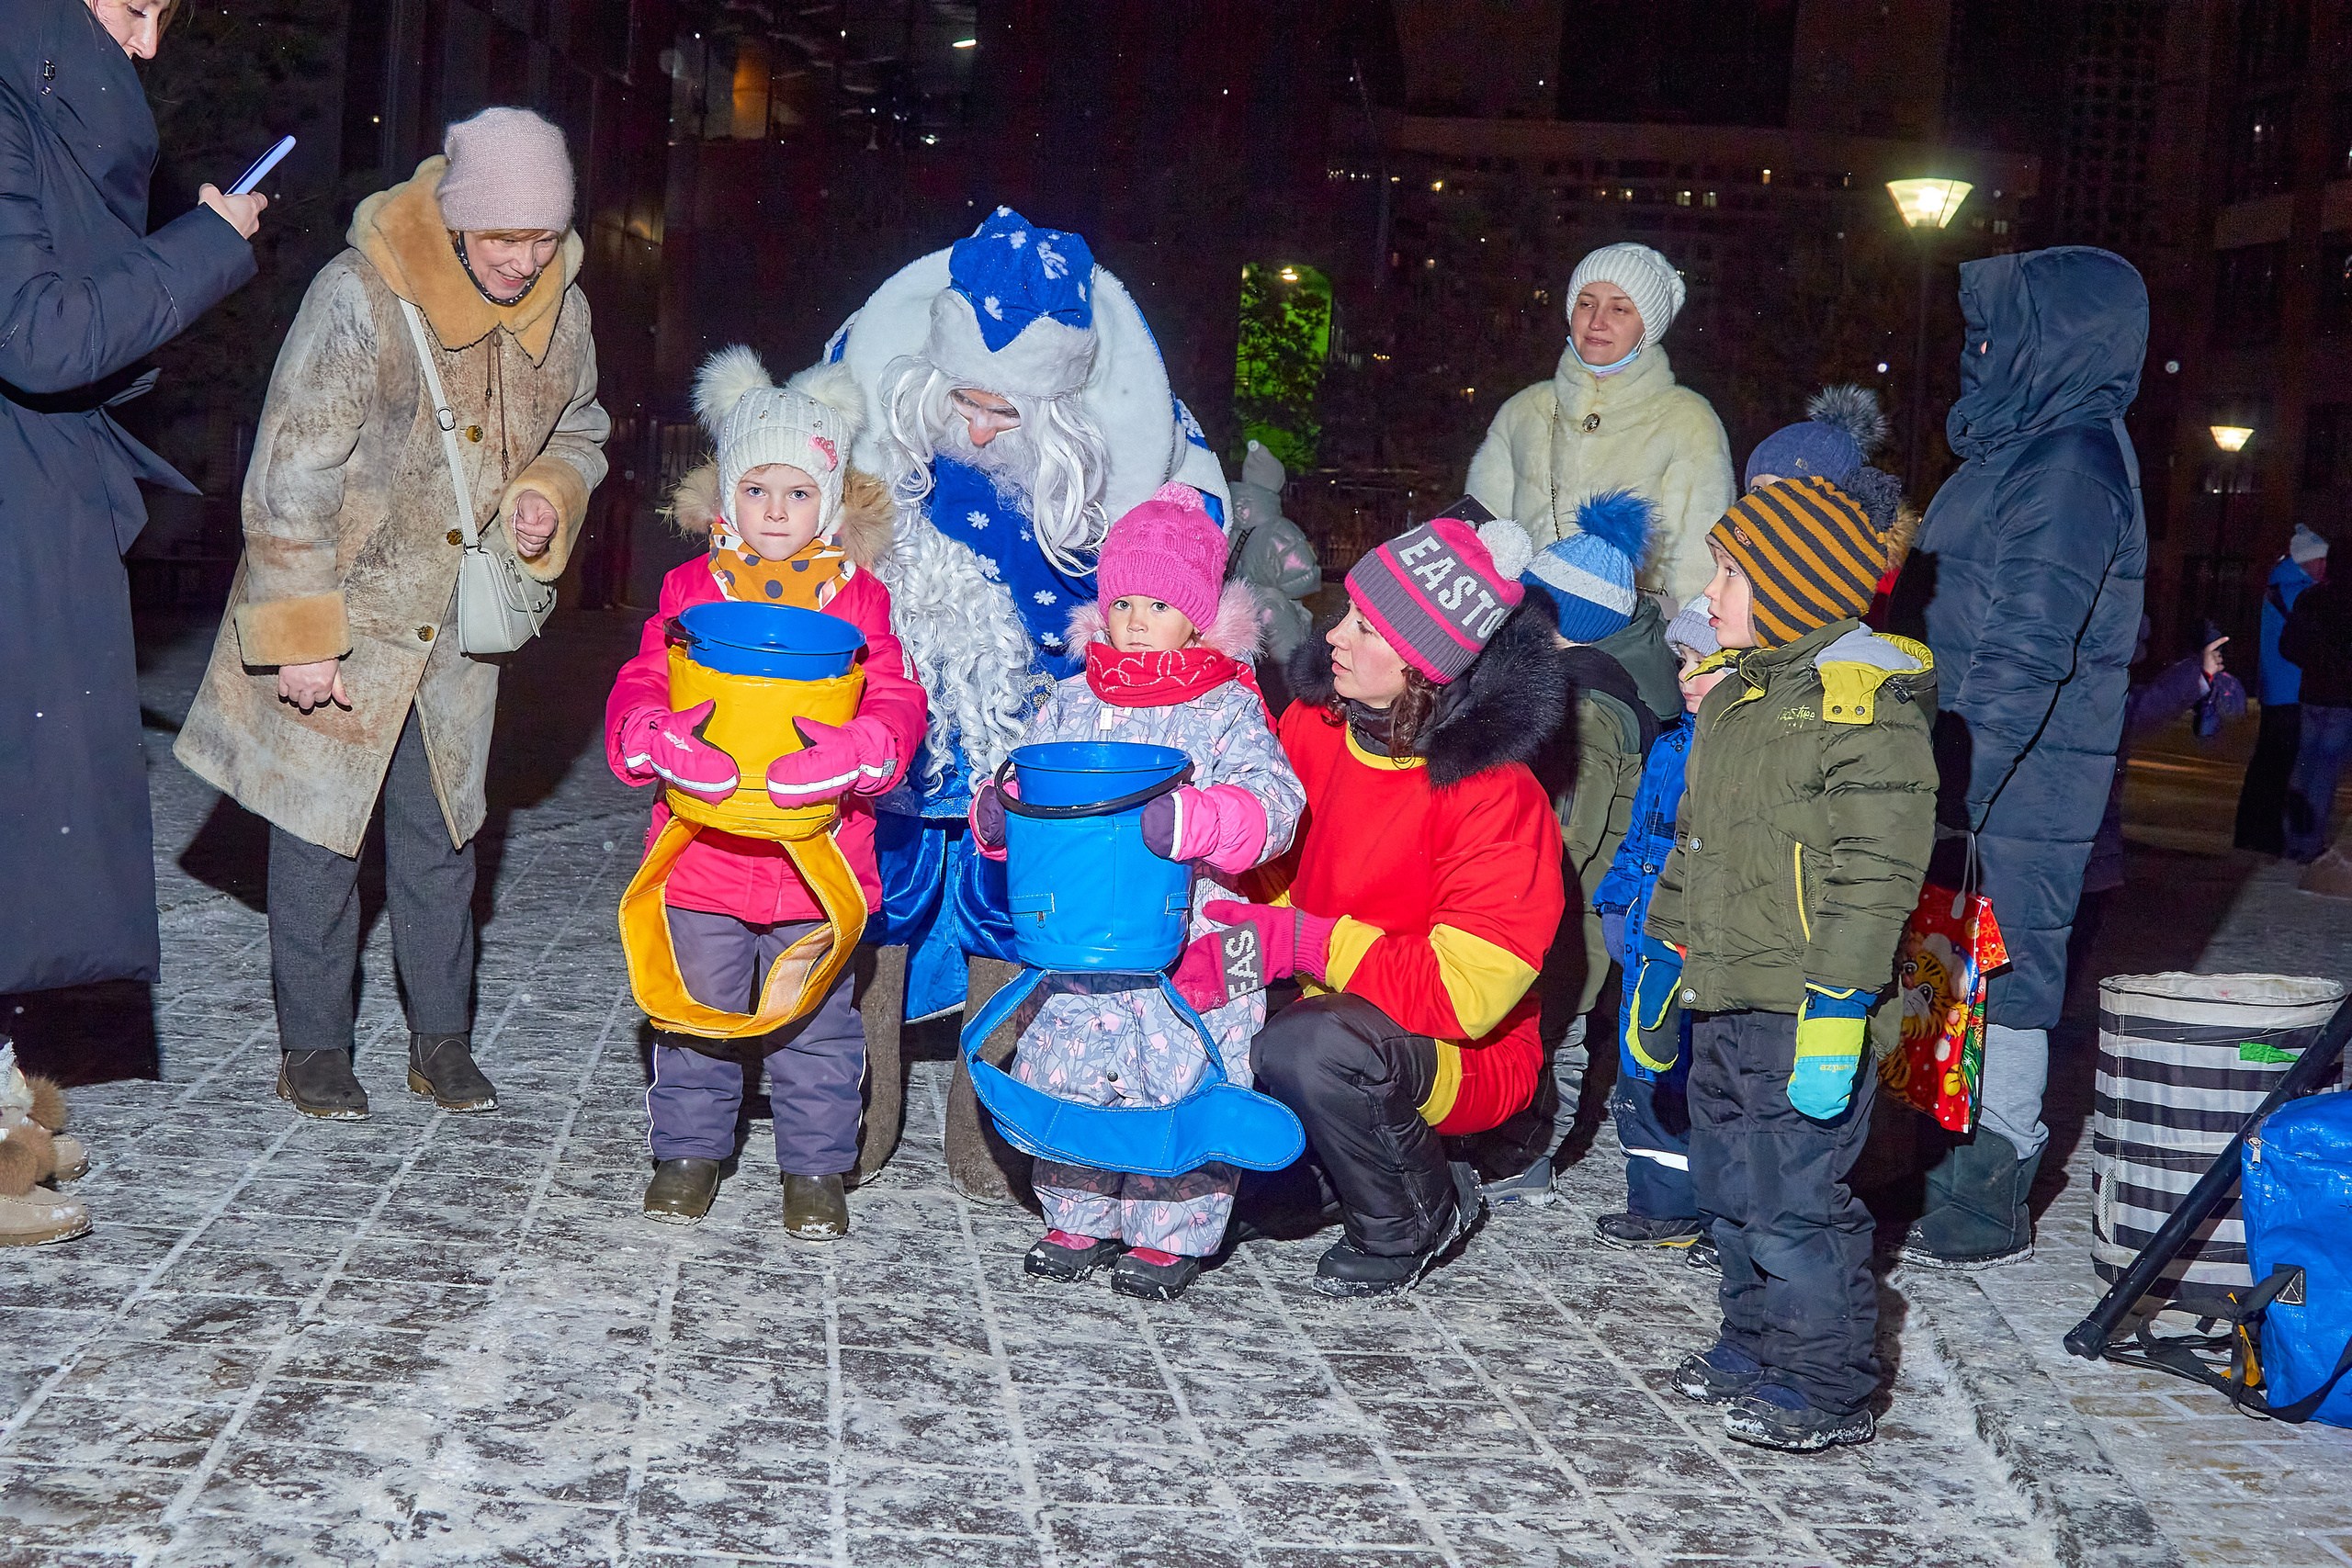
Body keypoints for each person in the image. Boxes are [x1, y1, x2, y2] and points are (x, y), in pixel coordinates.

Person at [175, 108, 608, 1119]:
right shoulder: (360, 295)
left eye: (544, 239)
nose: (523, 260)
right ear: (457, 223)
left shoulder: (563, 309)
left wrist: (549, 487)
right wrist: (302, 640)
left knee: (444, 837)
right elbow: (289, 477)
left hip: (455, 629)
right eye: (504, 238)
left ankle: (441, 1042)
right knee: (320, 840)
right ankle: (315, 1050)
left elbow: (582, 425)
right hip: (347, 610)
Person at [826, 207, 1229, 1201]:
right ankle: (861, 1118)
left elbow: (1185, 549)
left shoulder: (1093, 491)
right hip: (899, 746)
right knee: (874, 917)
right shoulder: (886, 460)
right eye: (962, 400)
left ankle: (990, 1134)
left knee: (1011, 929)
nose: (975, 429)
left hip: (1029, 755)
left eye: (1003, 414)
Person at [1179, 511, 1571, 1298]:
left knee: (1311, 1048)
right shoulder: (1313, 727)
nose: (1334, 637)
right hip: (1331, 1003)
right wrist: (1219, 963)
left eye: (1366, 626)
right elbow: (1273, 889)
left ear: (1428, 667)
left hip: (1467, 1051)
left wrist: (1304, 949)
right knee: (1198, 1011)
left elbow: (1462, 996)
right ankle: (1320, 1175)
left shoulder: (1498, 796)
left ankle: (1421, 1212)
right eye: (1348, 612)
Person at [604, 350, 924, 1239]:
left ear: (828, 497)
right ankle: (687, 1155)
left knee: (814, 1031)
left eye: (795, 493)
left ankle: (815, 1170)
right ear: (726, 496)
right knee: (696, 1020)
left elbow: (896, 694)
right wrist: (650, 737)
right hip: (702, 859)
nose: (774, 512)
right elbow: (643, 680)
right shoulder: (687, 588)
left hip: (817, 865)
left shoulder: (860, 603)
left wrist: (866, 749)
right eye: (756, 491)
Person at [1644, 477, 1936, 1452]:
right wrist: (1663, 952)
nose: (1712, 589)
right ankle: (1754, 1345)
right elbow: (1698, 843)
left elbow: (1876, 872)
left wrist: (1842, 1004)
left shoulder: (1863, 709)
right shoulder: (1743, 697)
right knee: (1728, 1184)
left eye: (1731, 572)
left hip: (1805, 1002)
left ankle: (1826, 1381)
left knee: (1794, 1204)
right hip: (1727, 991)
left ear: (1796, 586)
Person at [970, 483, 1304, 1301]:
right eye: (1121, 600)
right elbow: (1030, 776)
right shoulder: (1074, 697)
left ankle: (1170, 1229)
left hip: (1188, 936)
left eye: (1158, 602)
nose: (1135, 619)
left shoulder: (1226, 704)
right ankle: (1078, 1211)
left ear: (1197, 613)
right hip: (1080, 935)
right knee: (1069, 1066)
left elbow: (1277, 803)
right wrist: (1000, 810)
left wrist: (1195, 818)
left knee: (1179, 1077)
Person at [1, 0, 263, 1035]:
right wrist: (203, 247)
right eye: (134, 9)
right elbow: (40, 335)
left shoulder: (38, 109)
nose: (149, 45)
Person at [1889, 247, 2148, 1271]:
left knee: (2008, 978)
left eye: (2000, 334)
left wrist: (1955, 784)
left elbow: (2027, 645)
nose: (1978, 352)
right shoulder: (2018, 448)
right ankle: (1921, 1161)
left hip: (2015, 778)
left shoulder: (2071, 463)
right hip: (1961, 757)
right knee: (1941, 964)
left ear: (2058, 340)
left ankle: (1983, 1191)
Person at [1477, 491, 1678, 1206]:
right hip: (1575, 911)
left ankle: (1527, 1152)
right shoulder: (1606, 684)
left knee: (1545, 1030)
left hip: (1570, 917)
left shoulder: (1588, 709)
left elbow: (1571, 834)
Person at [1464, 243, 1735, 603]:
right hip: (1521, 632)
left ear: (1648, 327)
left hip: (1631, 639)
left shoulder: (1689, 421)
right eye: (1586, 303)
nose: (1597, 322)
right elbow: (1477, 540)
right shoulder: (1524, 410)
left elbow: (1700, 561)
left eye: (1619, 309)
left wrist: (1692, 643)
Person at [1589, 597, 1729, 1258]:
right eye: (1682, 661)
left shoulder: (1736, 759)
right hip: (1647, 940)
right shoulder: (1670, 746)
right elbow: (1635, 839)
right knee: (1644, 1071)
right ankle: (1661, 1203)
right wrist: (1614, 904)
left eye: (1705, 664)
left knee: (1709, 1079)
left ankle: (1723, 1213)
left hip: (1704, 948)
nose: (1685, 677)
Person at [2074, 626, 2236, 980]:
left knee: (2071, 941)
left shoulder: (2101, 691)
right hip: (2077, 846)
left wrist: (2198, 673)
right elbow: (2145, 708)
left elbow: (2144, 707)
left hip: (2088, 847)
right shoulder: (2090, 689)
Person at [2235, 527, 2328, 853]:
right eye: (2321, 560)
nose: (2324, 567)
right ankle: (2263, 835)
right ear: (2308, 560)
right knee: (2277, 766)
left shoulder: (2282, 585)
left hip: (2281, 690)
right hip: (2288, 690)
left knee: (2270, 764)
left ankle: (2255, 833)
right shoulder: (2294, 590)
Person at [2281, 564, 2352, 863]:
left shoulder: (2310, 598)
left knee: (2303, 765)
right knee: (2324, 770)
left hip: (2311, 693)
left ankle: (2292, 838)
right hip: (2341, 697)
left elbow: (2288, 645)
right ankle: (2310, 842)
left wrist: (2312, 664)